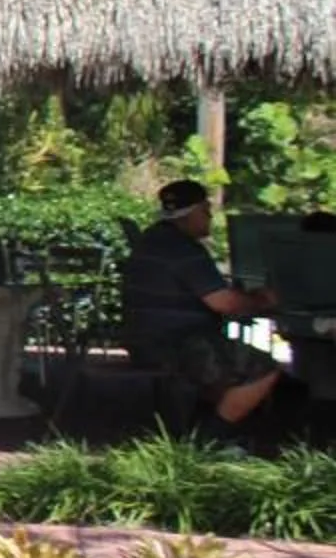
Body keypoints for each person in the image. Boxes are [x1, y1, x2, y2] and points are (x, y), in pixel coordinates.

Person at [121, 178, 283, 424]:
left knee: (225, 365)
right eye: (206, 210)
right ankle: (215, 437)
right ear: (193, 212)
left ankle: (199, 426)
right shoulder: (184, 250)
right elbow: (224, 303)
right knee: (264, 368)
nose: (209, 217)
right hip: (177, 344)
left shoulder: (151, 240)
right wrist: (262, 301)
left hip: (145, 339)